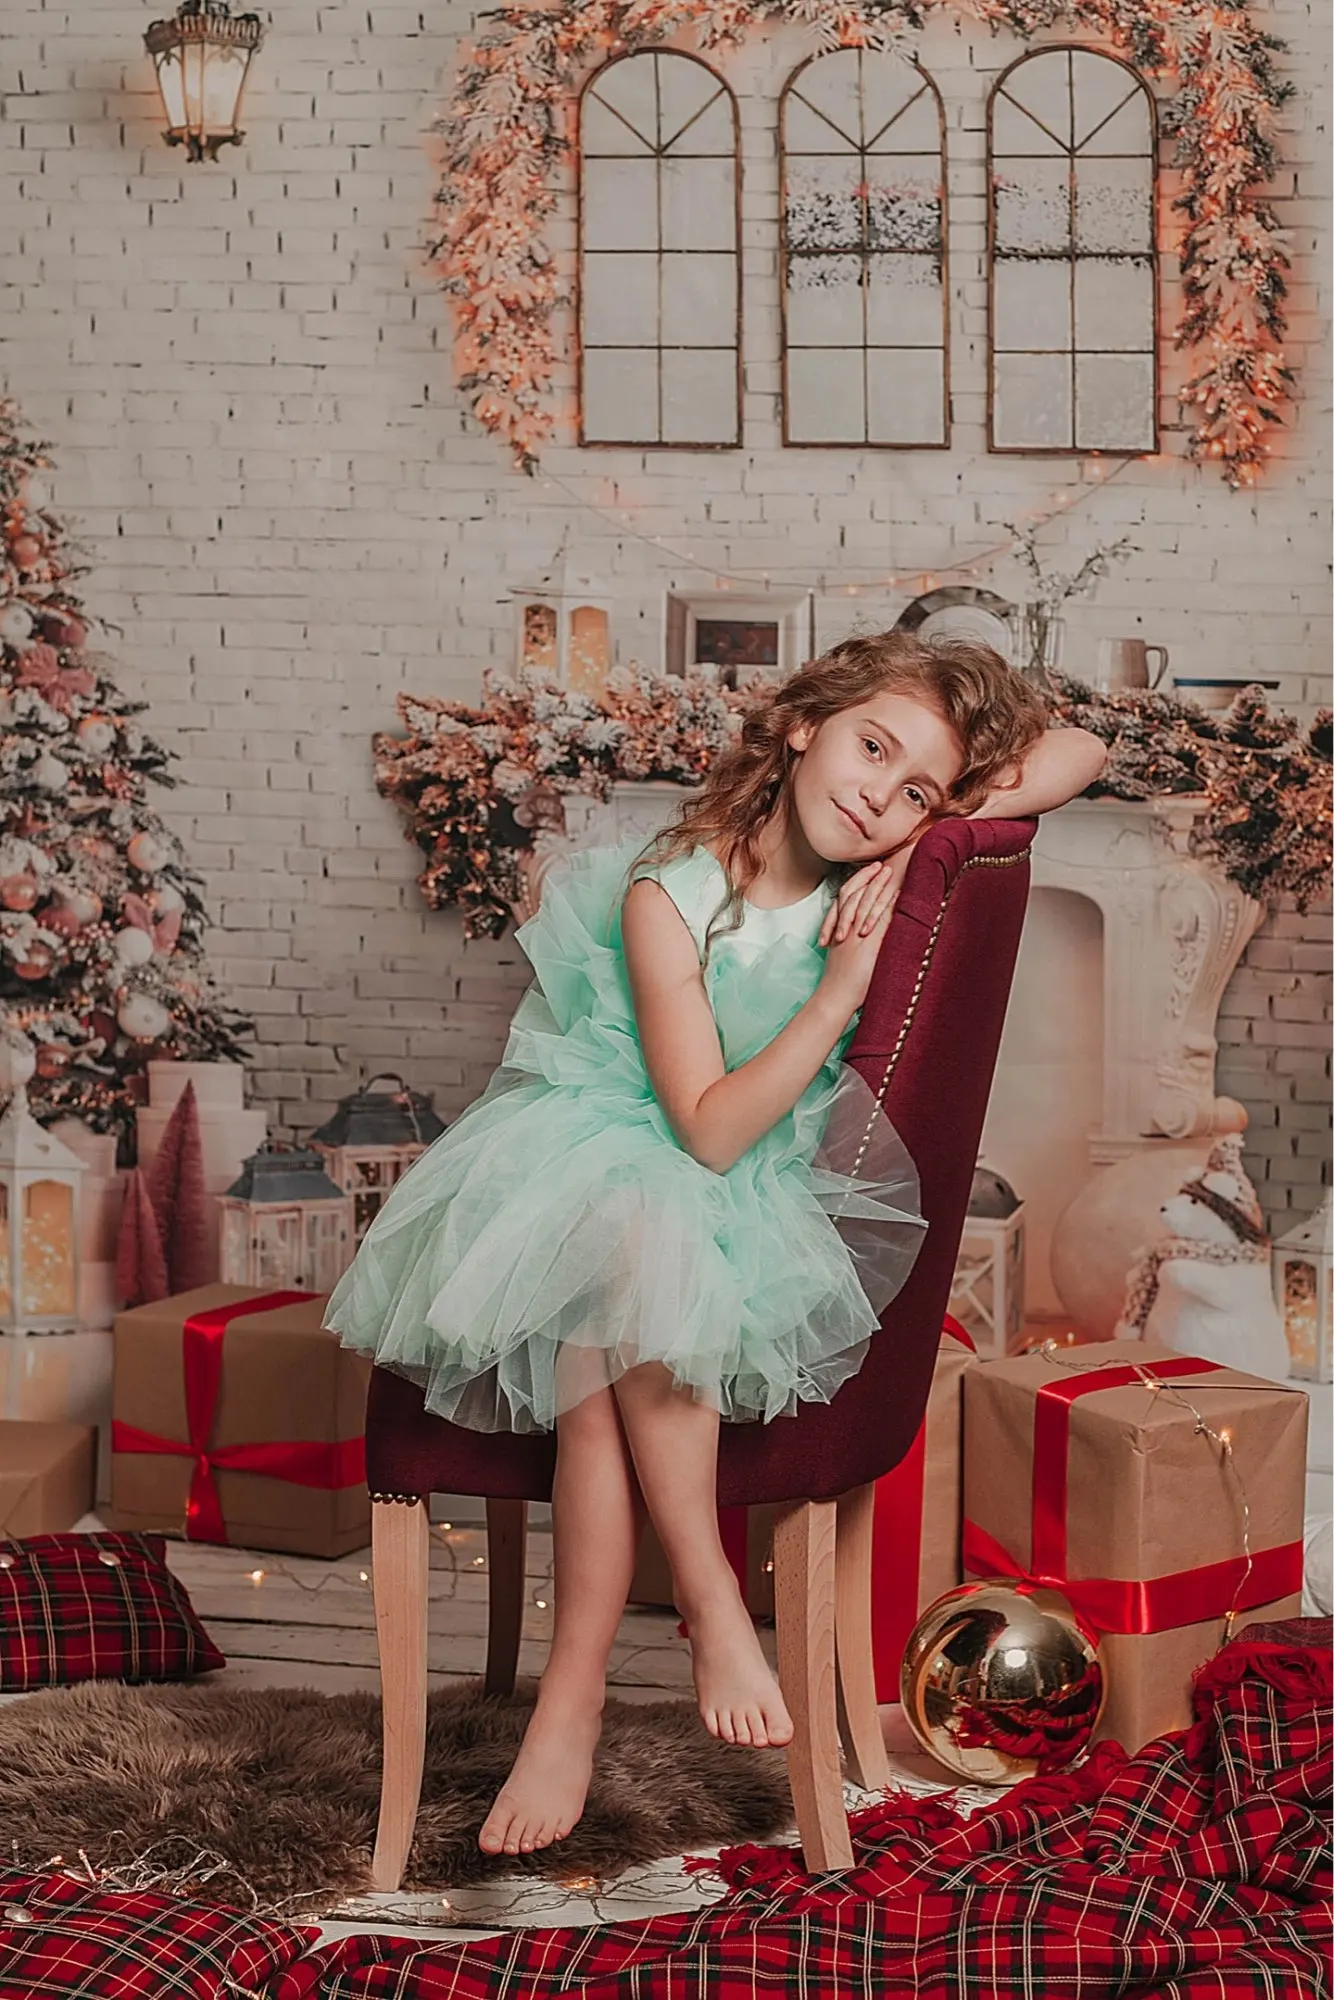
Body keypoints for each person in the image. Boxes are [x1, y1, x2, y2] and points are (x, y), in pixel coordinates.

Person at [325, 633, 1107, 1860]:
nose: (878, 793)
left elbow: (1081, 747)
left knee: (611, 1321)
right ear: (800, 724)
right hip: (652, 1142)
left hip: (765, 1191)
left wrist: (931, 836)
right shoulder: (667, 892)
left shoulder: (891, 852)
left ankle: (578, 1696)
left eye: (914, 786)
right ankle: (701, 1602)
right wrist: (837, 993)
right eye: (868, 747)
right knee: (626, 1248)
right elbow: (701, 1129)